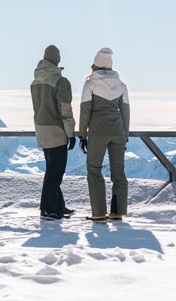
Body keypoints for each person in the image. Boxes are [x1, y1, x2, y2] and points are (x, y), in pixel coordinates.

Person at [77, 47, 130, 222]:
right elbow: (125, 112)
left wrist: (82, 135)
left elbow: (85, 111)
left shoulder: (90, 83)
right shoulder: (121, 85)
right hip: (117, 132)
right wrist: (125, 135)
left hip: (98, 132)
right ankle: (117, 212)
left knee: (94, 170)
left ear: (95, 66)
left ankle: (99, 213)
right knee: (118, 172)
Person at [30, 44, 76, 220]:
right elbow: (65, 109)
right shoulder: (60, 81)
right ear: (57, 59)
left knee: (52, 169)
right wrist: (71, 133)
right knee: (55, 172)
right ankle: (48, 209)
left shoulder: (35, 82)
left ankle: (58, 205)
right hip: (56, 130)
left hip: (41, 129)